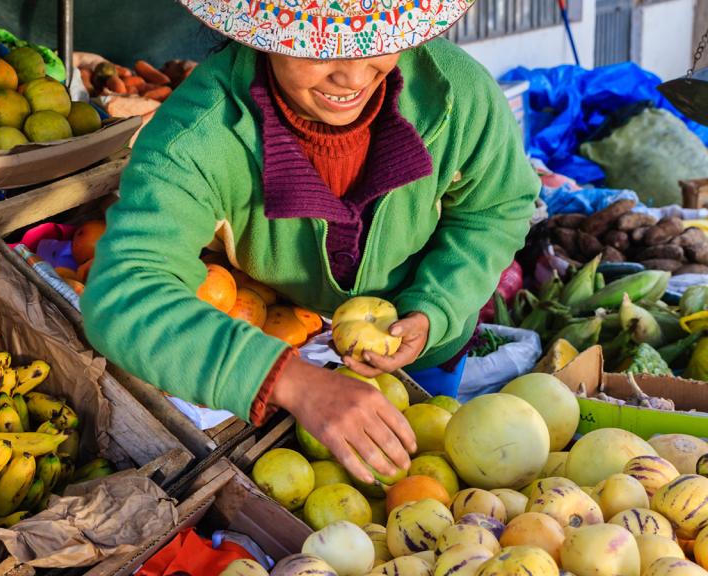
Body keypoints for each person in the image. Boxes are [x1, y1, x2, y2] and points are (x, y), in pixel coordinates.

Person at [80, 0, 540, 483]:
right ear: (259, 32)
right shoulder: (197, 134)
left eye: (378, 42)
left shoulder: (455, 93)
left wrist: (437, 307)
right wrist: (288, 380)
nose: (354, 77)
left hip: (430, 352)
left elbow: (498, 207)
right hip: (283, 351)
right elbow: (124, 293)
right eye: (320, 50)